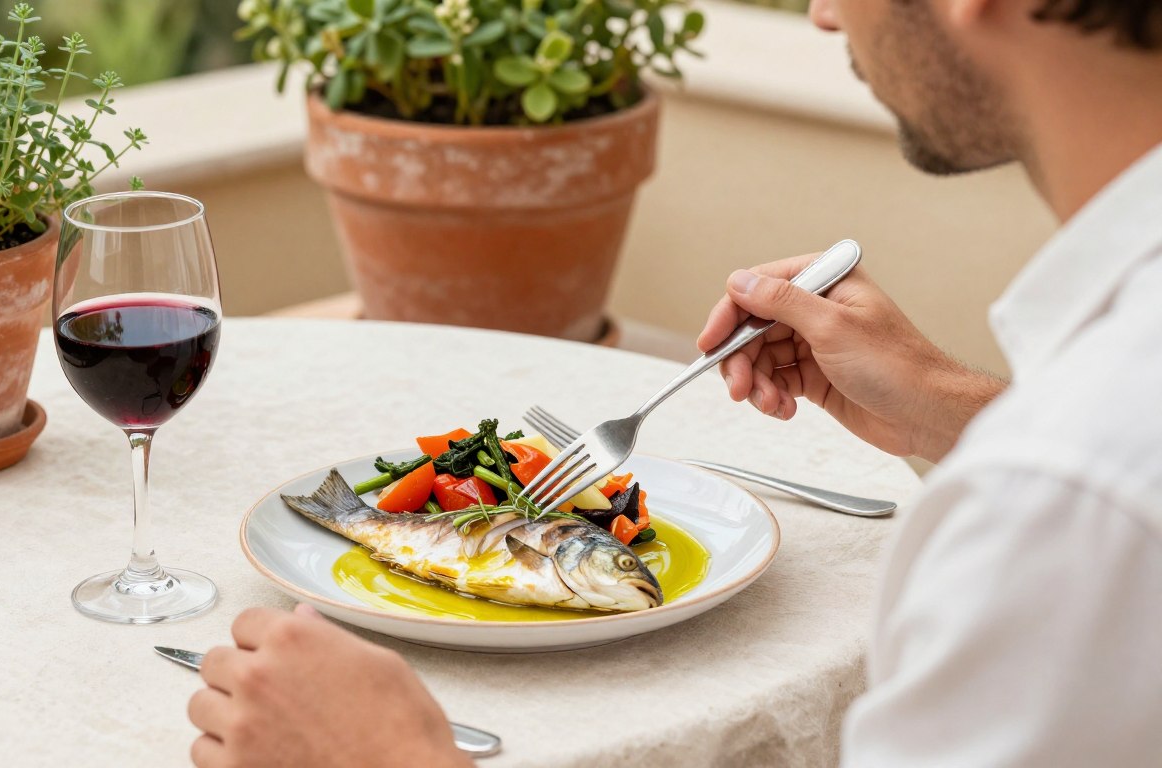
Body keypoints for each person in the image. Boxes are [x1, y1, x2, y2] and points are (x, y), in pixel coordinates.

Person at [186, 0, 1162, 764]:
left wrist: (397, 760)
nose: (824, 13)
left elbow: (1092, 495)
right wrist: (952, 410)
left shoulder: (1058, 504)